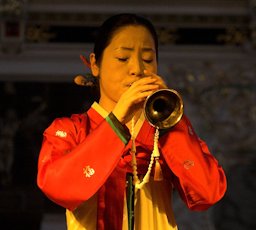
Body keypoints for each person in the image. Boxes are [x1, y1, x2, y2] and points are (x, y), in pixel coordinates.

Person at [37, 13, 227, 230]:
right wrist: (117, 120)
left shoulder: (162, 131)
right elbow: (59, 188)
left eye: (148, 59)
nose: (137, 69)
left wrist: (171, 123)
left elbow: (208, 193)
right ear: (94, 64)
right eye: (122, 58)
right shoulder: (70, 130)